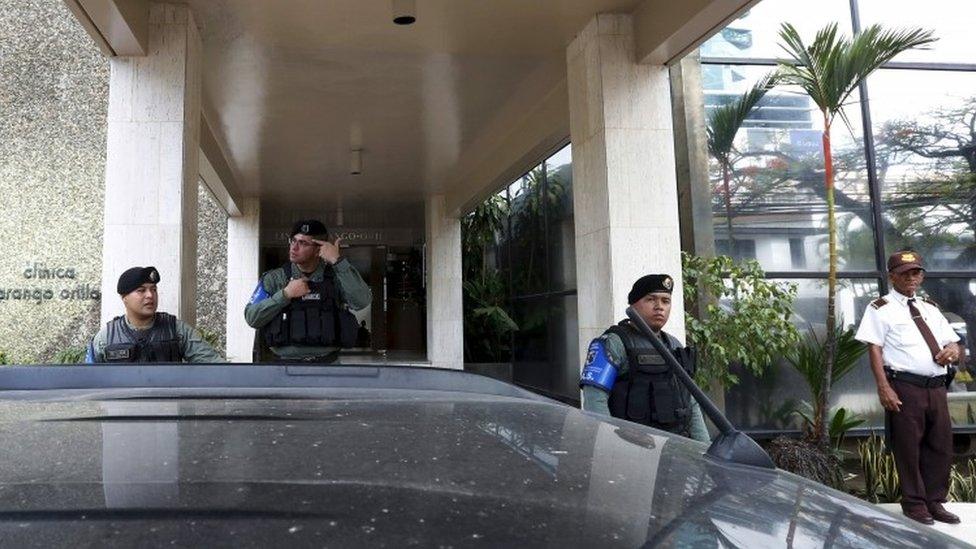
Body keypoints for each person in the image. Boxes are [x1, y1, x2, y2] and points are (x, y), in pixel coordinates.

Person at [855, 250, 962, 525]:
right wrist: (883, 387)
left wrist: (953, 350)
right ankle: (914, 504)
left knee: (940, 445)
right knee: (908, 447)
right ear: (892, 276)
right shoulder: (880, 308)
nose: (912, 278)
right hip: (906, 386)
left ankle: (935, 502)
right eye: (905, 273)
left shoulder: (930, 307)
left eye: (916, 272)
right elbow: (875, 349)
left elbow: (954, 342)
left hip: (937, 387)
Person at [579, 273, 710, 443]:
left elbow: (690, 401)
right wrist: (608, 443)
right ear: (633, 304)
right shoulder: (614, 342)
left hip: (675, 447)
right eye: (651, 299)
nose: (659, 307)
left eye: (666, 301)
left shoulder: (674, 345)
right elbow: (594, 400)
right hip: (631, 449)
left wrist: (703, 447)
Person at [245, 219, 372, 361]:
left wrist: (338, 261)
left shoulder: (336, 276)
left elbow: (362, 301)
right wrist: (285, 295)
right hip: (284, 366)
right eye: (293, 240)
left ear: (319, 249)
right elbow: (252, 317)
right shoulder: (275, 278)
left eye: (303, 243)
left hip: (327, 365)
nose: (294, 247)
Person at [85, 266, 224, 363]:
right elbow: (89, 381)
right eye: (141, 290)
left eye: (154, 290)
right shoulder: (105, 339)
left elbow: (213, 365)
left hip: (169, 404)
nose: (150, 295)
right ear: (124, 297)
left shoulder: (177, 330)